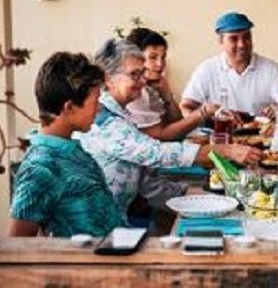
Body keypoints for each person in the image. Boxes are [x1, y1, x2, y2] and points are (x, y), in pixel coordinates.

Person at [75, 39, 261, 224]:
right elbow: (156, 152)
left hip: (118, 219)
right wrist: (225, 150)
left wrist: (189, 195)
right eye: (134, 74)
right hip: (98, 227)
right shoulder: (105, 120)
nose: (143, 81)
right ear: (108, 78)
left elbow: (144, 176)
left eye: (142, 73)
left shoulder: (119, 112)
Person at [8, 52, 122, 237]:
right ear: (69, 108)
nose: (99, 108)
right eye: (95, 101)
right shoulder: (41, 168)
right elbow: (17, 245)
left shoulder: (70, 149)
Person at [180, 12, 278, 117]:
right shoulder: (207, 69)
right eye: (234, 39)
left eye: (246, 37)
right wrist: (202, 119)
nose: (242, 44)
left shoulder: (269, 68)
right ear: (221, 42)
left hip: (259, 137)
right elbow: (185, 106)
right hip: (219, 136)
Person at [126, 27, 217, 141]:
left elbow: (176, 122)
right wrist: (202, 113)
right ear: (136, 59)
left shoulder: (152, 85)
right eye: (153, 57)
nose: (160, 64)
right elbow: (161, 136)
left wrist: (166, 94)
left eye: (163, 57)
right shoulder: (135, 91)